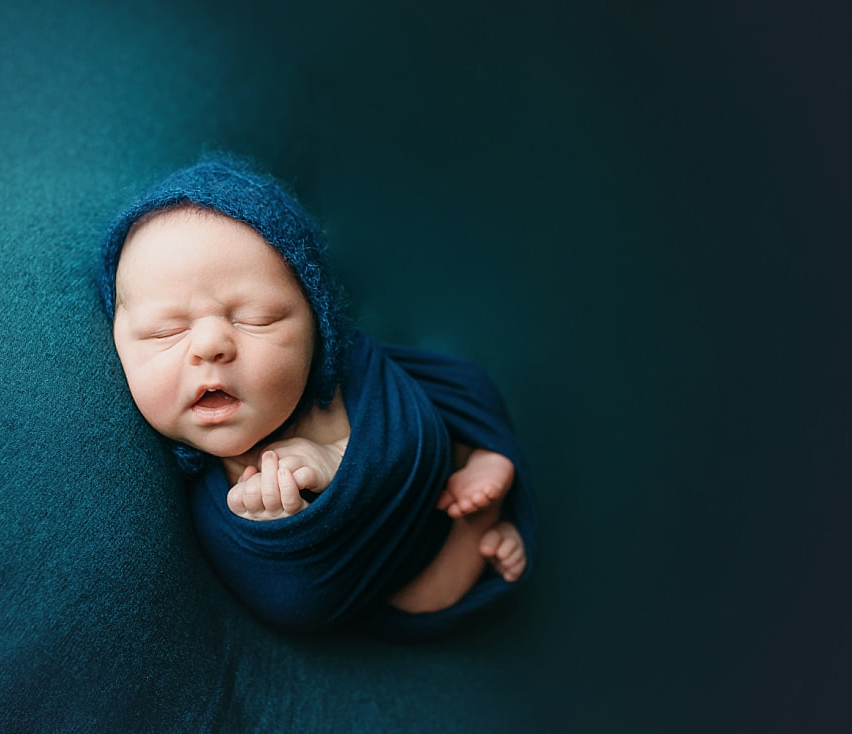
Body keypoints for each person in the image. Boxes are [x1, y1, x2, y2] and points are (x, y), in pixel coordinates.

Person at [98, 155, 537, 639]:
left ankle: (476, 457)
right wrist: (285, 529)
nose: (209, 346)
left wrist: (334, 458)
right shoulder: (203, 495)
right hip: (394, 571)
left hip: (436, 463)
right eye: (166, 331)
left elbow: (419, 436)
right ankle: (478, 528)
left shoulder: (349, 375)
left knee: (463, 388)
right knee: (422, 597)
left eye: (257, 318)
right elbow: (294, 605)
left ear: (318, 326)